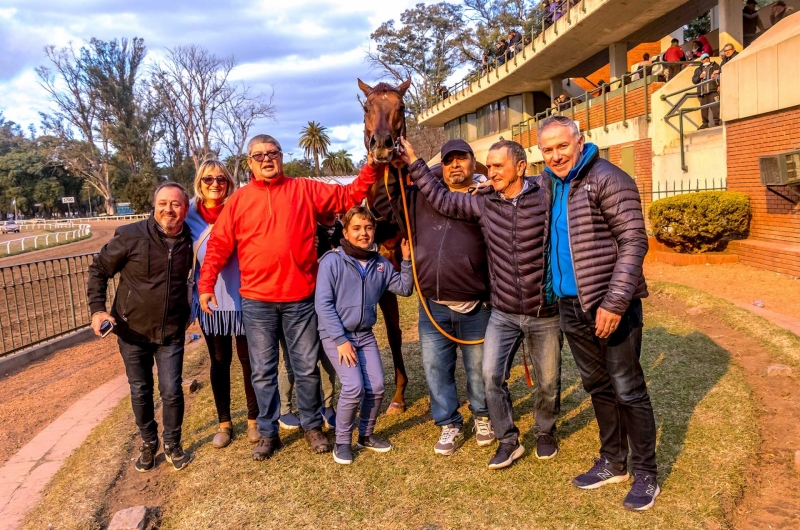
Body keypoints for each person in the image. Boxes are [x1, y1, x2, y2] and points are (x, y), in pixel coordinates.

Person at [199, 134, 384, 461]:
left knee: (305, 367)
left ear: (281, 157)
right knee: (263, 371)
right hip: (257, 302)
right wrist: (206, 284)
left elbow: (349, 195)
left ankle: (312, 425)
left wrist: (371, 165)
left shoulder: (304, 189)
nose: (267, 159)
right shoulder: (239, 201)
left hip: (300, 299)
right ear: (249, 163)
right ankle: (268, 432)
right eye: (259, 156)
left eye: (272, 153)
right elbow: (218, 246)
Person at [398, 137, 563, 470]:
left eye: (499, 166)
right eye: (491, 166)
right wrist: (415, 161)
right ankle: (508, 441)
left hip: (543, 310)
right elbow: (441, 198)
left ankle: (545, 433)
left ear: (521, 167)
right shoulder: (484, 203)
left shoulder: (546, 195)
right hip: (502, 310)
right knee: (490, 376)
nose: (492, 172)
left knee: (548, 381)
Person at [537, 115, 657, 511]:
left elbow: (634, 241)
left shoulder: (607, 177)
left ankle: (645, 472)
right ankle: (613, 461)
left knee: (627, 387)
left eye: (561, 146)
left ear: (579, 141)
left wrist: (615, 302)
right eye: (547, 149)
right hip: (571, 305)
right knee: (597, 386)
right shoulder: (549, 185)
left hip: (609, 304)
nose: (555, 155)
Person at [372, 139, 494, 456]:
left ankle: (483, 416)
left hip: (475, 305)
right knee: (435, 369)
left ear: (472, 162)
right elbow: (386, 205)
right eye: (449, 160)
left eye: (461, 159)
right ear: (441, 166)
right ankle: (449, 423)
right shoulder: (421, 198)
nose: (455, 165)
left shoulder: (486, 198)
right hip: (433, 305)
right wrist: (392, 169)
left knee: (480, 370)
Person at [87, 181, 193, 472]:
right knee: (140, 390)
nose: (168, 209)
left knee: (171, 391)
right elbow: (99, 269)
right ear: (154, 206)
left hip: (171, 332)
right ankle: (149, 442)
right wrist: (98, 310)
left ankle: (172, 443)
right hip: (132, 331)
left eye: (175, 204)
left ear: (185, 208)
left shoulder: (190, 239)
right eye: (163, 203)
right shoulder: (131, 235)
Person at [316, 206, 414, 465]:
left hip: (365, 334)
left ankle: (366, 435)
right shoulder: (332, 261)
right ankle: (342, 441)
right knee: (353, 387)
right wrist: (340, 340)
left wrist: (405, 261)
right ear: (345, 231)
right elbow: (323, 304)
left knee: (378, 386)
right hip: (336, 335)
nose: (363, 234)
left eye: (368, 228)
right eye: (357, 228)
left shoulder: (379, 264)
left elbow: (404, 289)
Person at [185, 160, 259, 448]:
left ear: (229, 182)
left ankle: (254, 419)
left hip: (244, 297)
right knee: (219, 362)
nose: (215, 184)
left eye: (221, 179)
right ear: (199, 183)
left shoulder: (241, 208)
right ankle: (224, 423)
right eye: (208, 179)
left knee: (249, 361)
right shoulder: (189, 215)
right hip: (210, 301)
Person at [277, 211, 342, 431]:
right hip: (296, 301)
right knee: (293, 359)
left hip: (327, 302)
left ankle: (327, 406)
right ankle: (284, 409)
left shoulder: (341, 229)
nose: (331, 209)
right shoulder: (303, 228)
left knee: (326, 356)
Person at [692, 53, 721, 129]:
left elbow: (720, 75)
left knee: (715, 107)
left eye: (707, 58)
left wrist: (719, 85)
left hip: (713, 90)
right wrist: (700, 76)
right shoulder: (698, 70)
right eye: (704, 58)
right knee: (704, 109)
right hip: (703, 92)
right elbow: (694, 80)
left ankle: (717, 122)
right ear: (701, 60)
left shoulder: (715, 65)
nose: (706, 59)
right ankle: (705, 123)